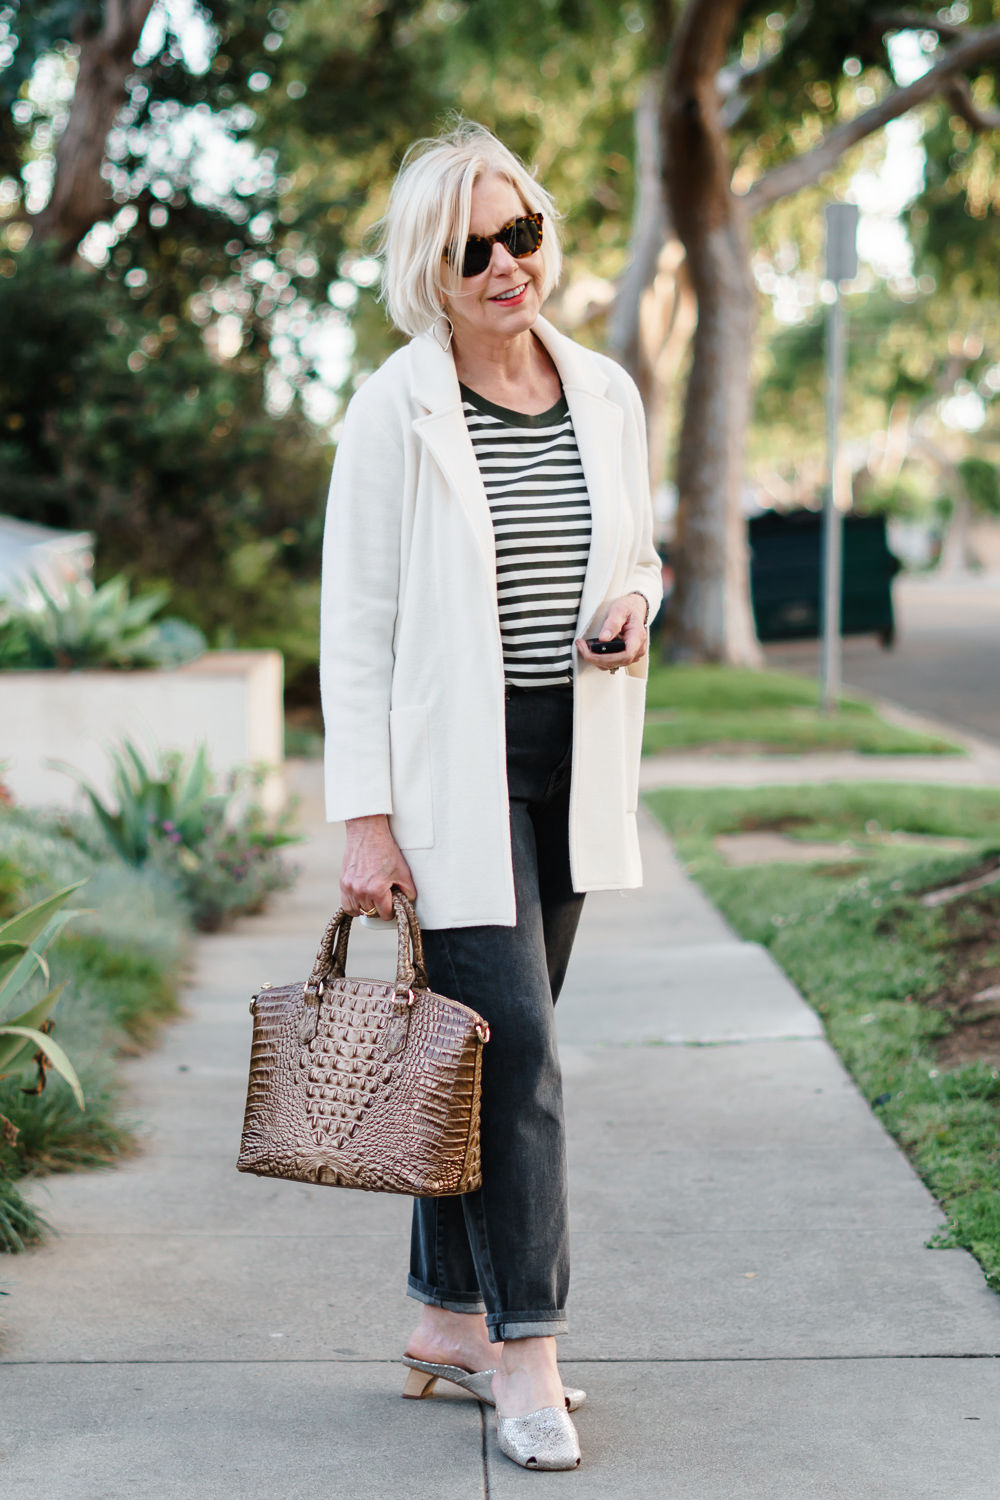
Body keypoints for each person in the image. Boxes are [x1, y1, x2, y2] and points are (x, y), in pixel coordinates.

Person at [320, 120, 661, 1472]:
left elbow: (632, 546)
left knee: (473, 1062)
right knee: (516, 1054)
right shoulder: (394, 406)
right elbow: (354, 622)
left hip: (570, 756)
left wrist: (636, 600)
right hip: (451, 778)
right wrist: (365, 818)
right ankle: (528, 1354)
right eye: (476, 247)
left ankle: (444, 1318)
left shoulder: (608, 391)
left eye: (522, 229)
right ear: (430, 267)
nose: (510, 262)